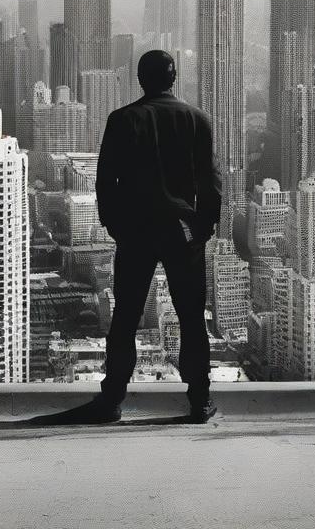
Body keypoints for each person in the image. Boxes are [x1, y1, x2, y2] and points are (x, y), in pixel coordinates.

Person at [49, 49, 222, 425]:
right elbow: (210, 183)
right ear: (173, 79)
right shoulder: (198, 121)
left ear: (140, 80)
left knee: (125, 317)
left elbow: (104, 180)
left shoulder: (122, 119)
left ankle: (112, 399)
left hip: (137, 230)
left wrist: (115, 226)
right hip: (182, 232)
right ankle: (199, 399)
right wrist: (204, 229)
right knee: (192, 318)